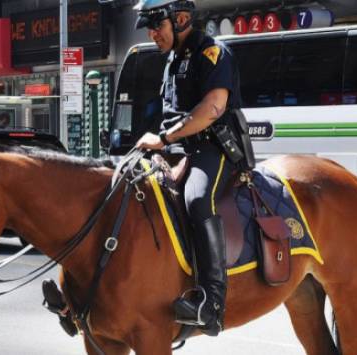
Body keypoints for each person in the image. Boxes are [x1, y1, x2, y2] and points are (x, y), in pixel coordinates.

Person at [134, 0, 253, 336]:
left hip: (212, 148)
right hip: (176, 148)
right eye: (149, 27)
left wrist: (163, 137)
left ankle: (212, 304)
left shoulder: (212, 52)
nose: (152, 33)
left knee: (196, 199)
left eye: (157, 25)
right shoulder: (172, 60)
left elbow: (213, 108)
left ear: (182, 19)